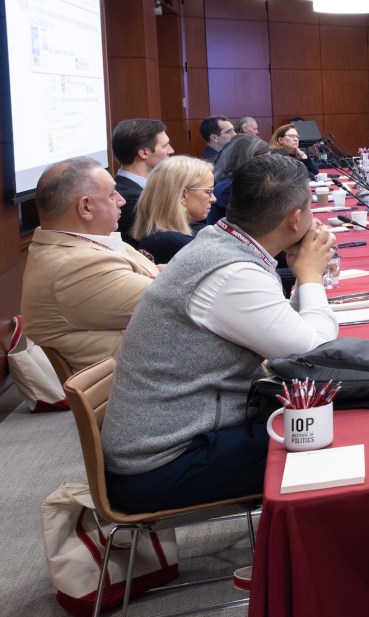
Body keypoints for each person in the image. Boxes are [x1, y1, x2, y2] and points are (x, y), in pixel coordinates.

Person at [101, 154, 338, 512]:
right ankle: (296, 564)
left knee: (322, 413)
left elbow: (290, 332)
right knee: (335, 433)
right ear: (294, 219)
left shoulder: (221, 243)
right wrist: (309, 276)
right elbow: (315, 356)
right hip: (165, 464)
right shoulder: (231, 273)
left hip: (175, 439)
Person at [20, 158, 159, 375]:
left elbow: (159, 276)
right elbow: (172, 299)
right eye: (113, 194)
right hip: (148, 391)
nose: (121, 200)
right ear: (85, 207)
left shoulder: (85, 242)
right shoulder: (73, 266)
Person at [131, 156, 216, 265]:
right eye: (208, 192)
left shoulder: (195, 230)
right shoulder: (165, 242)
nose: (214, 199)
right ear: (183, 195)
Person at [111, 117, 174, 243]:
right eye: (165, 146)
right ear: (144, 153)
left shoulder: (152, 187)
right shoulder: (129, 199)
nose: (171, 150)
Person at [208, 134, 270, 226]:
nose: (269, 164)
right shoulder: (228, 187)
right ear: (247, 159)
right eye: (264, 159)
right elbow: (258, 221)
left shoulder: (244, 182)